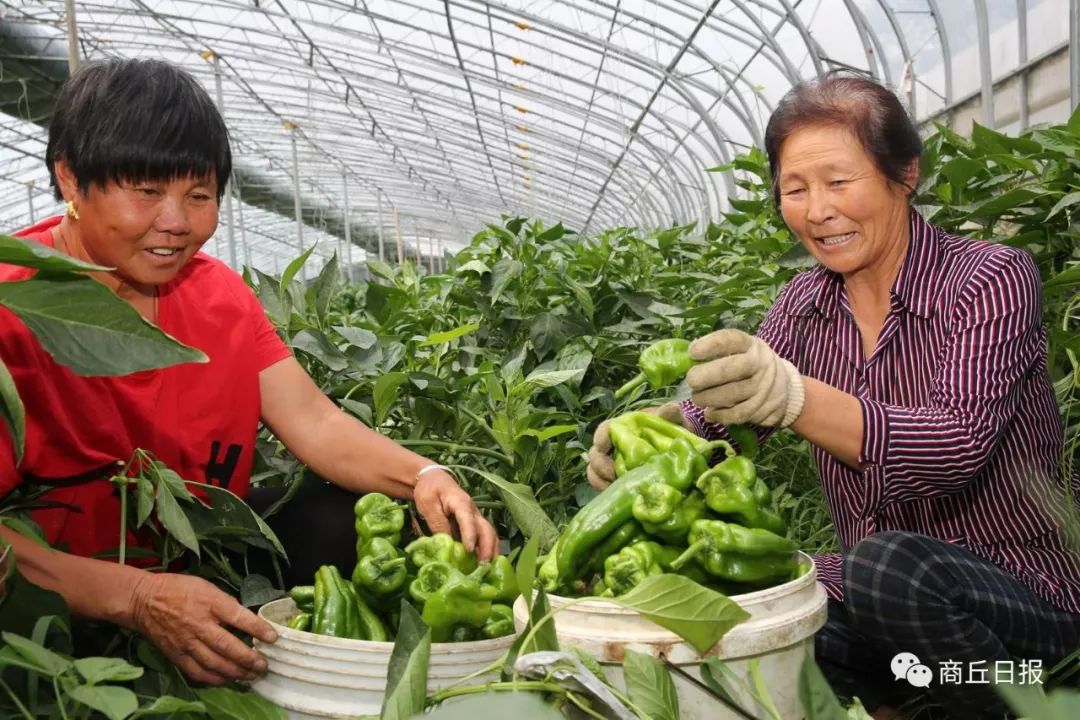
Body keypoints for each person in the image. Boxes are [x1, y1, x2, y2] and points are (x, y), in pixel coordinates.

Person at [588, 75, 1080, 718]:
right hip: (898, 627)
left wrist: (793, 396)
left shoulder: (988, 280)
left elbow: (955, 445)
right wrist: (655, 433)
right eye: (795, 189)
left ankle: (1021, 707)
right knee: (759, 603)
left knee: (889, 568)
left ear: (905, 174)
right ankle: (905, 703)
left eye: (839, 182)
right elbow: (728, 417)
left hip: (1020, 621)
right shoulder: (802, 307)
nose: (817, 210)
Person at [0, 58, 498, 686]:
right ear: (70, 180)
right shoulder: (13, 304)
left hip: (198, 555)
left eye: (199, 195)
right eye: (146, 192)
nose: (177, 222)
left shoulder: (216, 295)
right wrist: (135, 597)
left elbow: (314, 422)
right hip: (63, 590)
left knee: (361, 518)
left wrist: (424, 474)